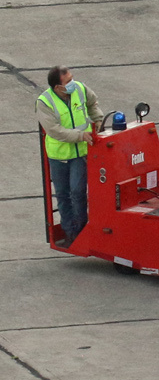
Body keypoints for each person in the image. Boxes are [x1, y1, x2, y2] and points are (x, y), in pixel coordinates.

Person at [36, 67, 102, 247]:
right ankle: (70, 231)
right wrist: (80, 136)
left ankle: (81, 229)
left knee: (78, 192)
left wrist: (98, 120)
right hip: (59, 156)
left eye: (72, 78)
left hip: (80, 153)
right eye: (68, 81)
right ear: (57, 87)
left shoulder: (80, 89)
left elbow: (93, 103)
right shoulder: (44, 102)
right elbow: (54, 130)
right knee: (63, 195)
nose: (73, 83)